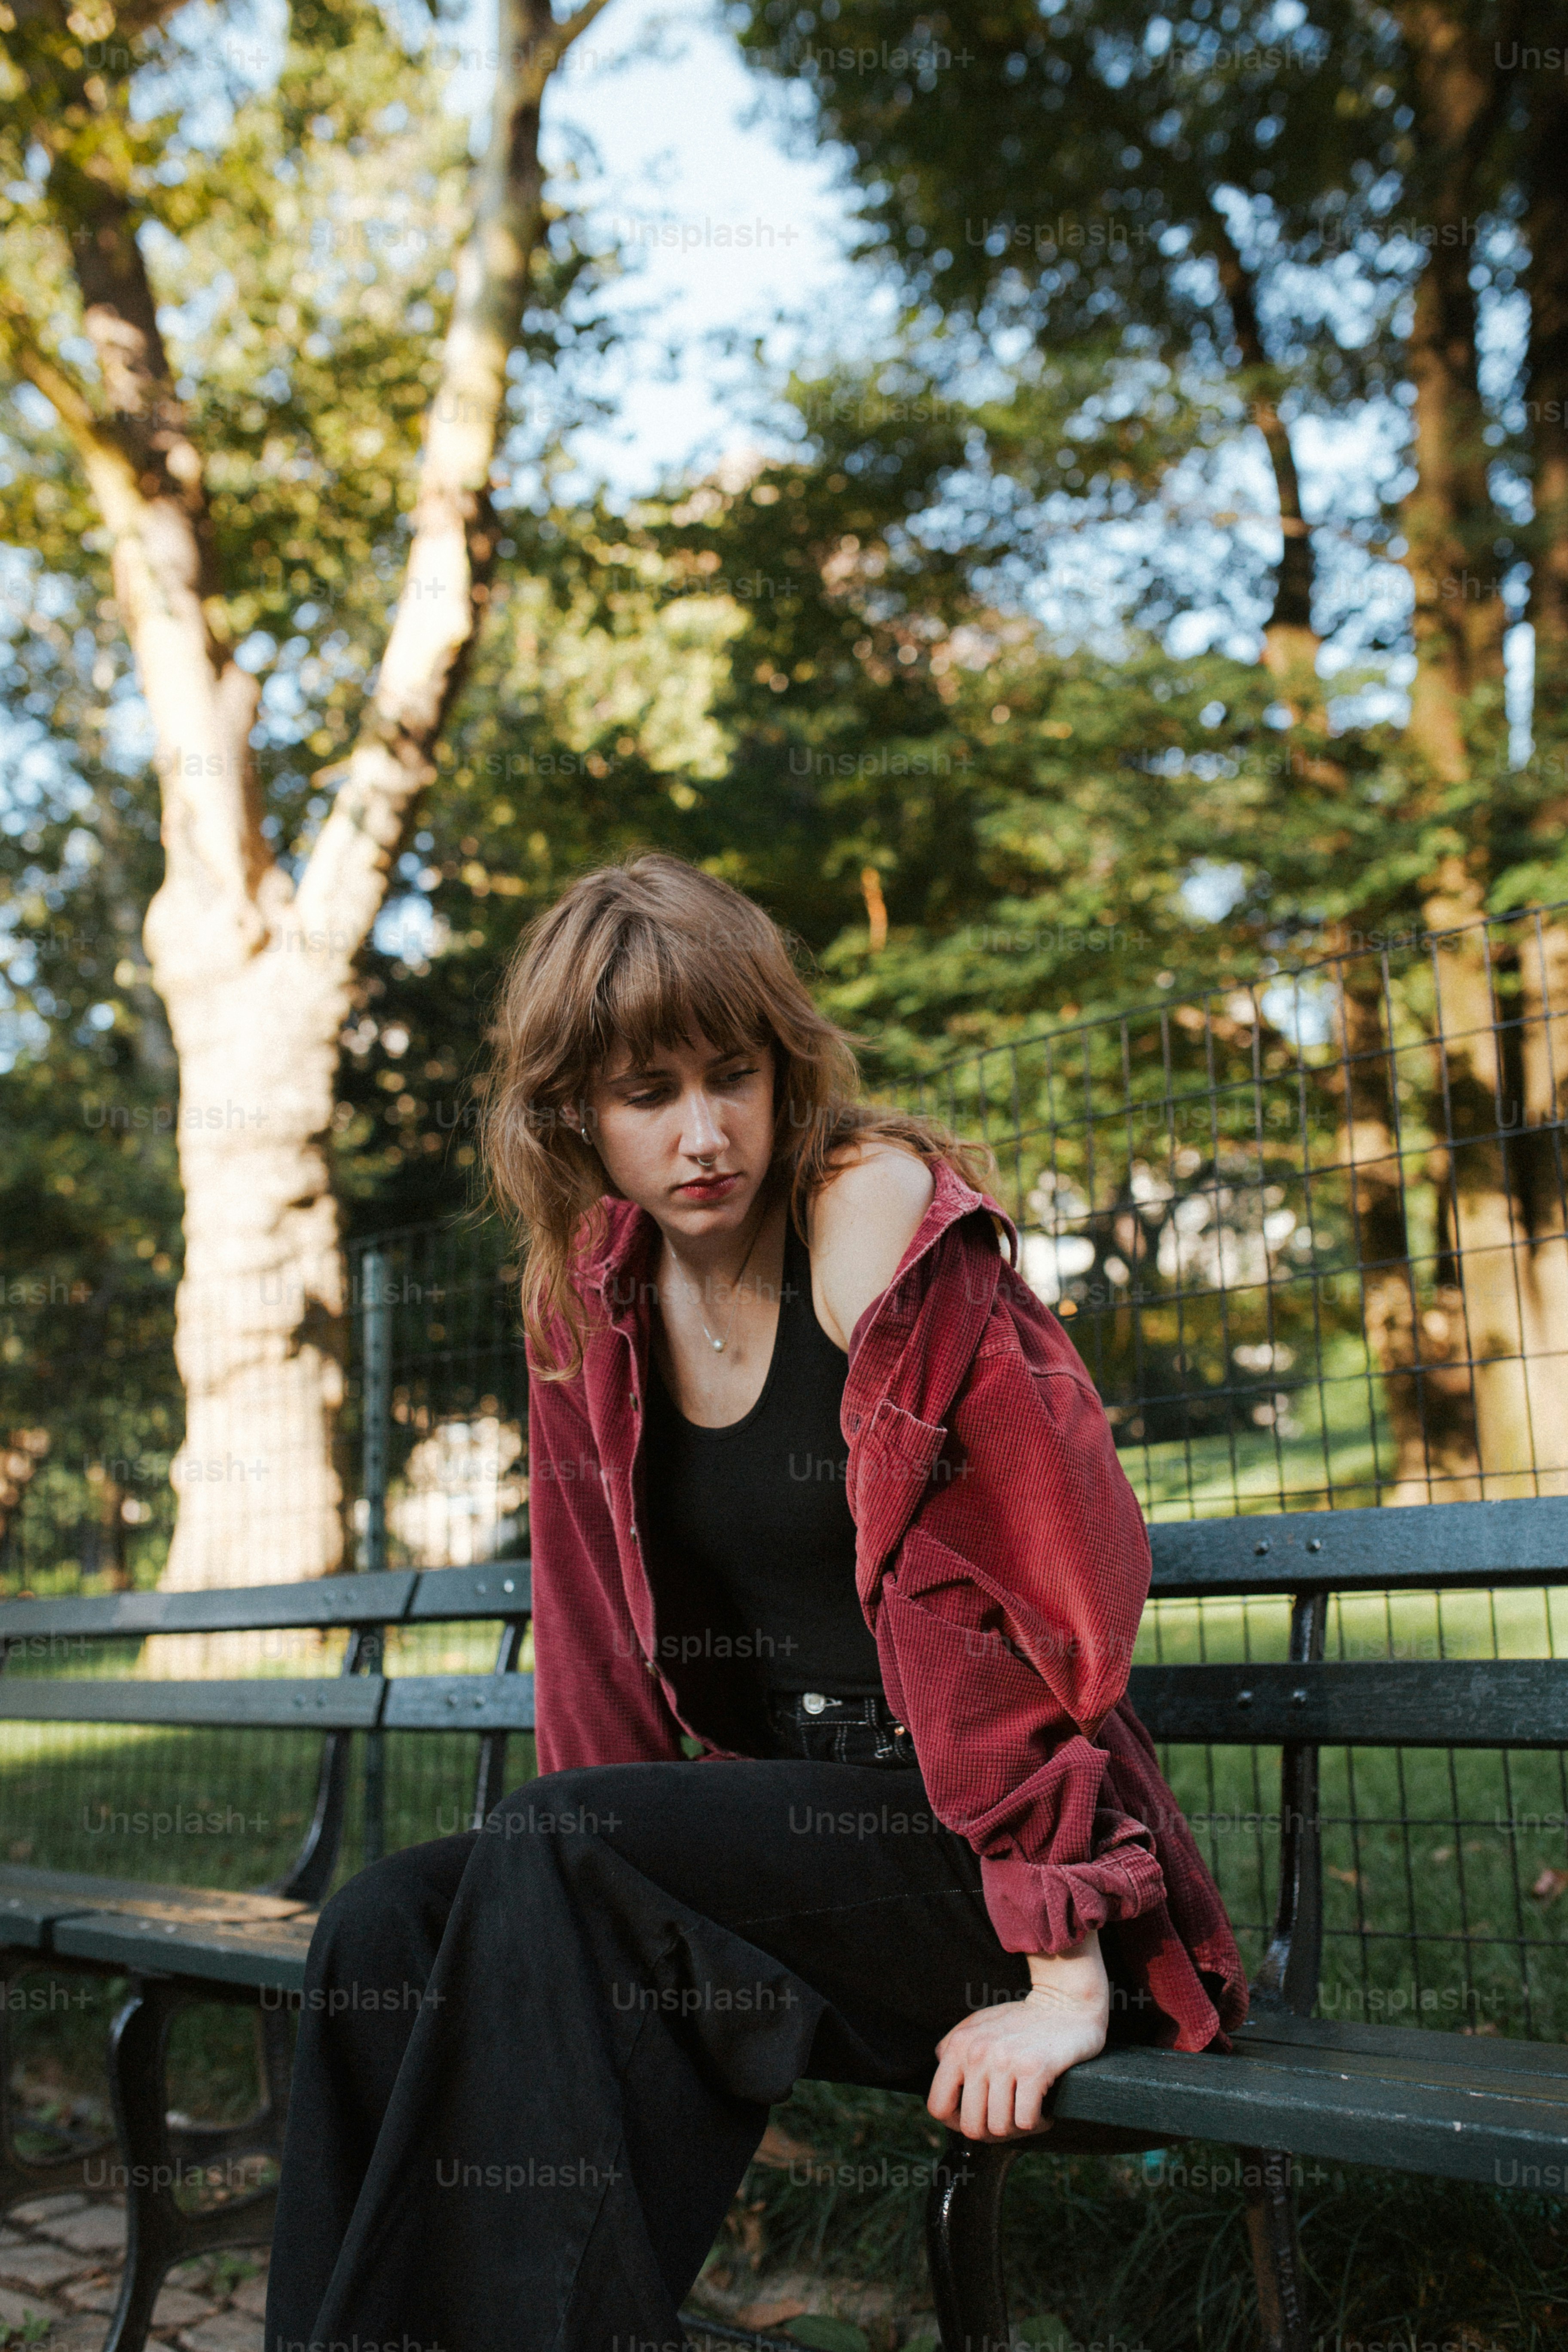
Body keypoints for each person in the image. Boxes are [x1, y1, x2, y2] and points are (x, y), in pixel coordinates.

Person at [264, 853, 1245, 2352]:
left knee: (557, 1845)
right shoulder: (589, 1299)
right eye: (648, 1092)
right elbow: (597, 1649)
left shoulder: (875, 1221)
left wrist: (1064, 1965)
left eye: (735, 1076)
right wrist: (567, 1942)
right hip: (791, 1849)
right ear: (575, 1114)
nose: (704, 1132)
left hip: (989, 1868)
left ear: (789, 1072)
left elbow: (1025, 1604)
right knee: (381, 1928)